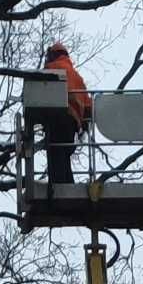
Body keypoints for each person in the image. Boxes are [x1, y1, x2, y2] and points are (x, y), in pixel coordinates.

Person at [40, 40, 91, 185]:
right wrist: (84, 126)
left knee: (56, 155)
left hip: (56, 118)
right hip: (72, 123)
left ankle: (58, 187)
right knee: (64, 154)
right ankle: (68, 184)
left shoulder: (51, 69)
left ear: (53, 55)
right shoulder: (77, 77)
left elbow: (40, 95)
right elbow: (88, 105)